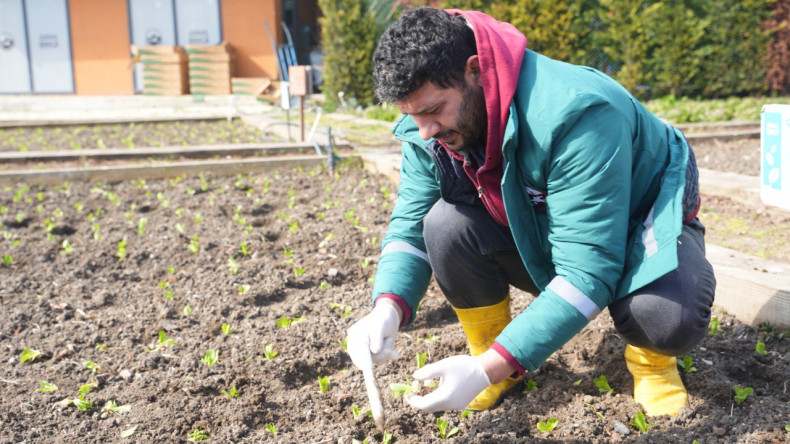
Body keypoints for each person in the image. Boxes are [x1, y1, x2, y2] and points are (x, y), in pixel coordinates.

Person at [346, 7, 716, 417]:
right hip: (542, 222)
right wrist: (387, 308)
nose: (424, 129)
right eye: (411, 115)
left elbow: (588, 269)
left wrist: (484, 372)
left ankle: (652, 365)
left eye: (433, 109)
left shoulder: (577, 115)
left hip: (637, 221)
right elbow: (411, 225)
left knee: (665, 318)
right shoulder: (433, 130)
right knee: (444, 226)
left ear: (477, 71)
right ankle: (491, 356)